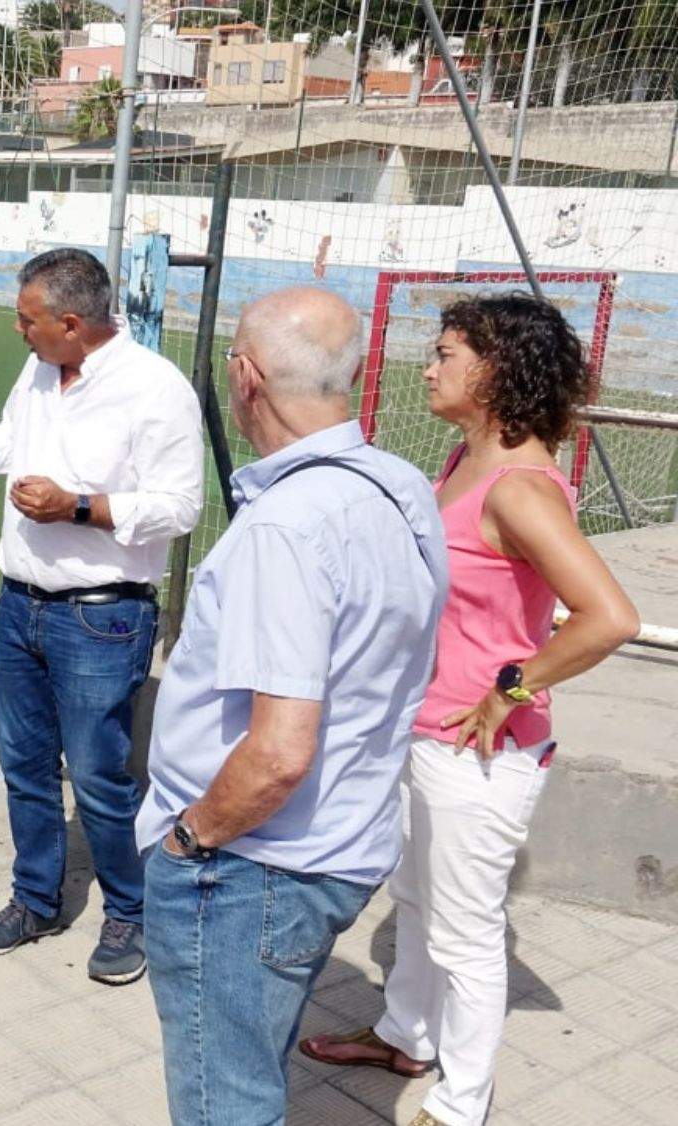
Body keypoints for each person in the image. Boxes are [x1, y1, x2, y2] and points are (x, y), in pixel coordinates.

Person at [298, 295, 639, 1126]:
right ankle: (407, 1035)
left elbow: (610, 618)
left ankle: (460, 1105)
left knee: (466, 936)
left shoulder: (521, 487)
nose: (429, 365)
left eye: (446, 352)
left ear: (493, 371)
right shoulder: (464, 459)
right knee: (413, 902)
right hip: (425, 733)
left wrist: (510, 688)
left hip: (478, 753)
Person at [135, 287, 450, 1126]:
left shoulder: (288, 525)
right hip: (341, 845)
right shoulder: (401, 484)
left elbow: (278, 753)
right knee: (251, 1064)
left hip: (252, 868)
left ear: (244, 377)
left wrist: (186, 840)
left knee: (224, 1103)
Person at [0, 247, 203, 985]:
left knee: (99, 777)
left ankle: (128, 913)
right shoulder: (41, 367)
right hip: (20, 608)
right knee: (26, 766)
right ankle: (35, 899)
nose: (17, 328)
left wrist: (79, 507)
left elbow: (180, 506)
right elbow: (10, 442)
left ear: (72, 323)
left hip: (100, 620)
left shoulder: (154, 389)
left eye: (27, 318)